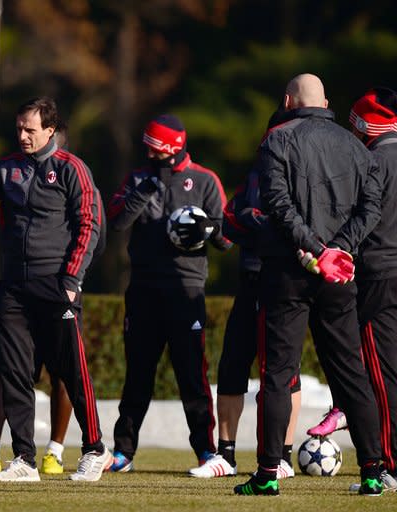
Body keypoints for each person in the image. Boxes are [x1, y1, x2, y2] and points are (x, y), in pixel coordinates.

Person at [0, 96, 110, 482]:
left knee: (71, 370)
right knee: (14, 372)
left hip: (56, 286)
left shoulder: (72, 169)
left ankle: (96, 448)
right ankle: (24, 460)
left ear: (50, 131)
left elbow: (89, 225)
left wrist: (71, 281)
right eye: (19, 129)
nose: (23, 136)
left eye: (30, 130)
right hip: (14, 290)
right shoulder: (7, 169)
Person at [234, 73, 384, 496]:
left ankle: (268, 473)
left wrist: (313, 248)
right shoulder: (356, 145)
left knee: (278, 374)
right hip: (338, 274)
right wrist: (336, 251)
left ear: (286, 100)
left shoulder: (276, 141)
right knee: (352, 373)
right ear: (327, 102)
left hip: (288, 271)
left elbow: (277, 206)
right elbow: (371, 209)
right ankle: (373, 470)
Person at [106, 114, 231, 474]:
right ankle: (123, 452)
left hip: (186, 291)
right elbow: (117, 221)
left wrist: (205, 228)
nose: (147, 151)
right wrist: (146, 189)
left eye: (154, 146)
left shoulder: (206, 180)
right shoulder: (137, 178)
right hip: (143, 290)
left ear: (173, 147)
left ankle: (206, 452)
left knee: (191, 375)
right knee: (137, 377)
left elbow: (226, 238)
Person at [189, 107, 301, 479]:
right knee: (232, 366)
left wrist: (260, 223)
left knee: (283, 372)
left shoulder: (300, 173)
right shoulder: (255, 175)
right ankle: (226, 454)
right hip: (250, 279)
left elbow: (290, 224)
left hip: (283, 282)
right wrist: (252, 222)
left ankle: (282, 455)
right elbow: (231, 220)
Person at [346, 87, 397, 492]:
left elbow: (364, 217)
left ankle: (389, 464)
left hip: (378, 274)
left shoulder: (371, 162)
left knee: (381, 376)